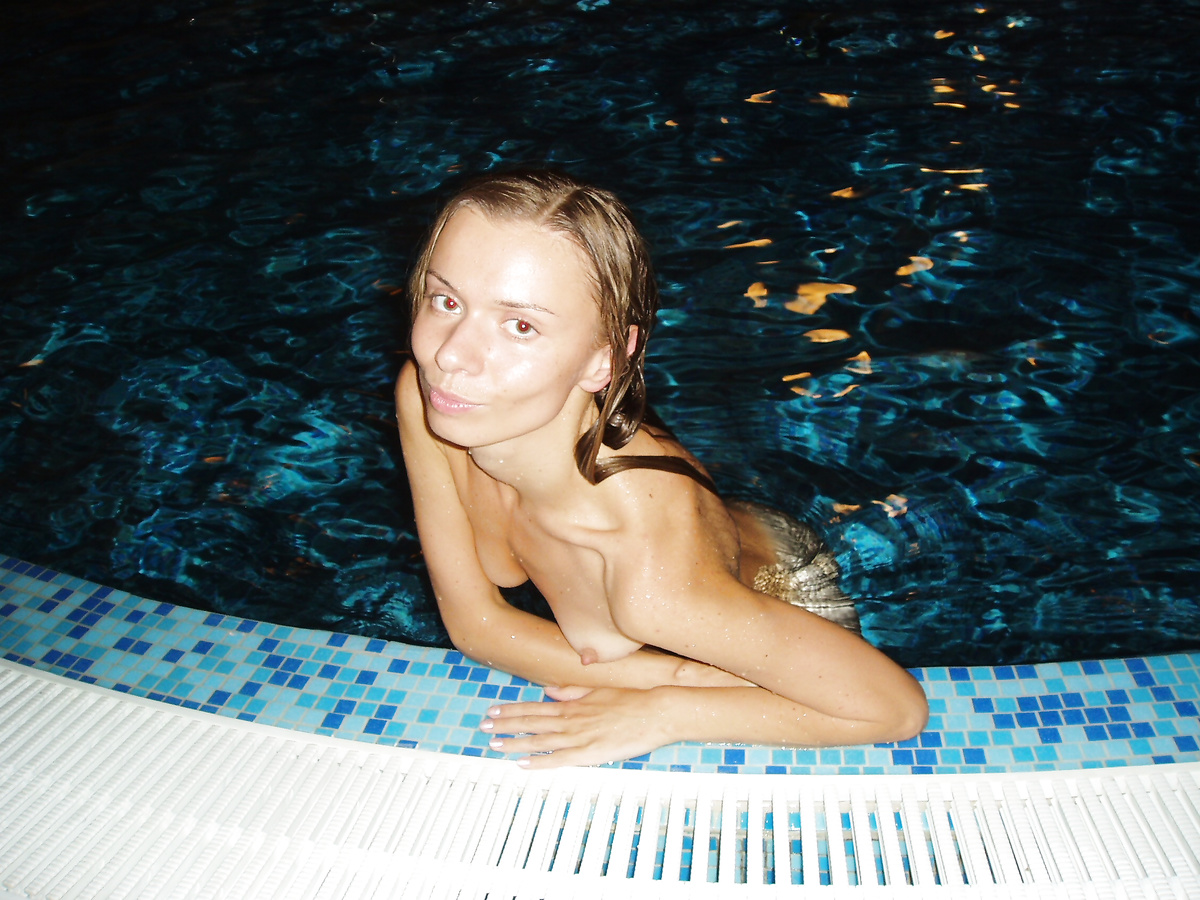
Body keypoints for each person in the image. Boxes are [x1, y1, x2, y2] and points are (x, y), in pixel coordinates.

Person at [395, 170, 928, 769]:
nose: (451, 355)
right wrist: (668, 675)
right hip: (705, 555)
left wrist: (666, 710)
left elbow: (893, 709)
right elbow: (475, 626)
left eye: (521, 326)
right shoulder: (432, 397)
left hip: (777, 586)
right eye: (447, 301)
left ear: (603, 359)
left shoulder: (648, 574)